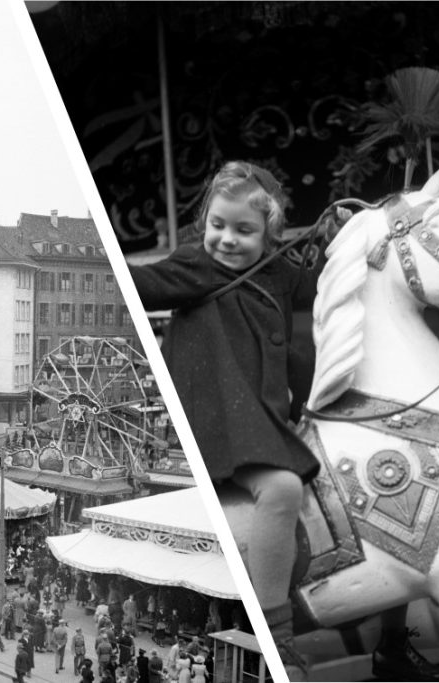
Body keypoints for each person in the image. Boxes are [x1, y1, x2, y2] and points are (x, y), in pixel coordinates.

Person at [127, 161, 320, 674]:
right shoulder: (195, 265)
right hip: (224, 424)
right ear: (203, 222)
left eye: (243, 230)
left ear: (270, 234)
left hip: (261, 414)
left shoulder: (278, 270)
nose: (227, 240)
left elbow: (316, 282)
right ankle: (279, 635)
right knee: (281, 490)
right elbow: (142, 282)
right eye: (218, 225)